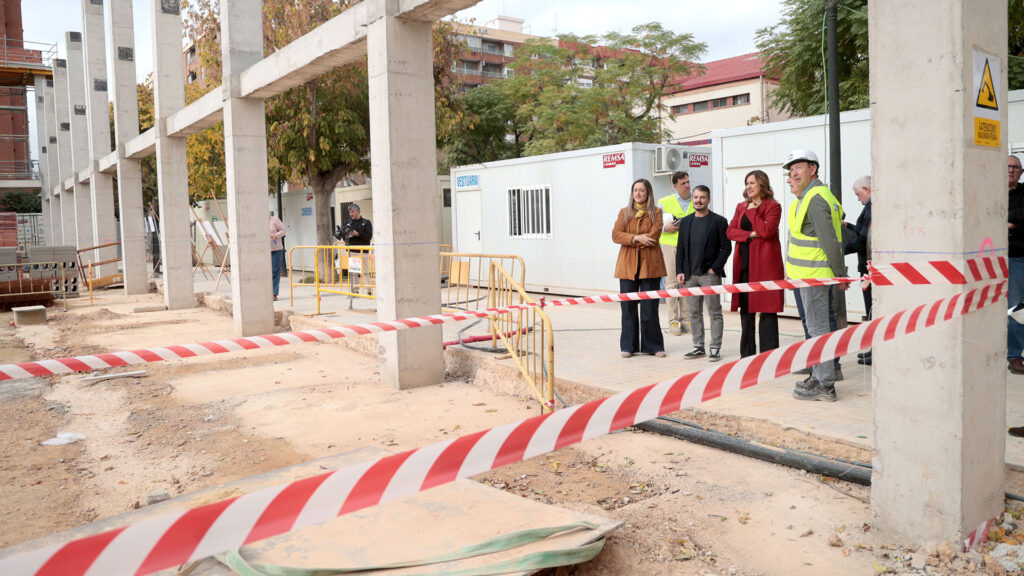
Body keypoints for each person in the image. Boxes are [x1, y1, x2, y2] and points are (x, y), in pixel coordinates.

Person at [783, 149, 848, 402]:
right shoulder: (816, 196)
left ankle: (824, 384)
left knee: (818, 329)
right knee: (817, 327)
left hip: (814, 276)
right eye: (790, 171)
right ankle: (820, 376)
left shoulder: (816, 198)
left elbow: (830, 240)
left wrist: (840, 274)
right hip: (809, 275)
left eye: (798, 168)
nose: (792, 175)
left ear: (813, 169)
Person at [726, 170, 784, 357]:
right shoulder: (741, 206)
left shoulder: (773, 206)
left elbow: (767, 231)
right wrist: (750, 234)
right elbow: (730, 231)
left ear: (762, 185)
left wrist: (753, 213)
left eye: (752, 183)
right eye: (746, 183)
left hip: (765, 266)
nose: (748, 187)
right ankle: (747, 356)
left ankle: (769, 356)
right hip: (744, 266)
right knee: (746, 313)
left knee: (767, 312)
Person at [675, 185, 731, 362]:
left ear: (708, 200)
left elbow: (726, 247)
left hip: (709, 275)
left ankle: (715, 347)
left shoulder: (719, 221)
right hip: (690, 275)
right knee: (693, 313)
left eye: (702, 197)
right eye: (696, 197)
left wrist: (715, 268)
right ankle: (698, 346)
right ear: (693, 199)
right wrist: (680, 271)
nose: (698, 200)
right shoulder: (685, 222)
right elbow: (681, 248)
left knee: (714, 312)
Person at [613, 178, 667, 358]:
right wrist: (637, 239)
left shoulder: (657, 212)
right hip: (627, 265)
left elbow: (655, 235)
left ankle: (653, 345)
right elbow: (616, 235)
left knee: (649, 306)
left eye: (641, 190)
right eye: (635, 190)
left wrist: (636, 238)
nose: (638, 193)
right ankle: (628, 346)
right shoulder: (624, 212)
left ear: (648, 193)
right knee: (627, 307)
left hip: (650, 265)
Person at [658, 171, 695, 335]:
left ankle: (686, 320)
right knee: (672, 282)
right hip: (670, 245)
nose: (687, 186)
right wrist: (664, 228)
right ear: (675, 186)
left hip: (691, 247)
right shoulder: (664, 202)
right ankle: (673, 321)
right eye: (683, 183)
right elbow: (652, 223)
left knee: (687, 282)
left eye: (688, 182)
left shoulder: (697, 199)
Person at [845, 175, 873, 365]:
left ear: (867, 189)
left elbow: (862, 241)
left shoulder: (871, 208)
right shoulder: (870, 208)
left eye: (858, 194)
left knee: (872, 310)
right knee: (871, 310)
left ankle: (875, 351)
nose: (858, 198)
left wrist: (840, 250)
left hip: (868, 268)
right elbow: (862, 231)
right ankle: (873, 349)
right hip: (868, 267)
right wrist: (848, 226)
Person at [344, 204, 373, 293]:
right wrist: (346, 235)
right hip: (352, 251)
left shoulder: (366, 222)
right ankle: (355, 290)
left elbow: (369, 236)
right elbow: (344, 237)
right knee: (354, 272)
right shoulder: (348, 224)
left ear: (358, 211)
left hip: (363, 251)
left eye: (352, 212)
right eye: (349, 212)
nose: (351, 214)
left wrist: (357, 234)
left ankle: (368, 290)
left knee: (365, 272)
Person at [269, 213, 286, 301]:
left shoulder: (274, 220)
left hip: (276, 249)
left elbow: (283, 230)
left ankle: (274, 293)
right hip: (262, 250)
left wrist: (276, 235)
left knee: (275, 271)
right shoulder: (256, 222)